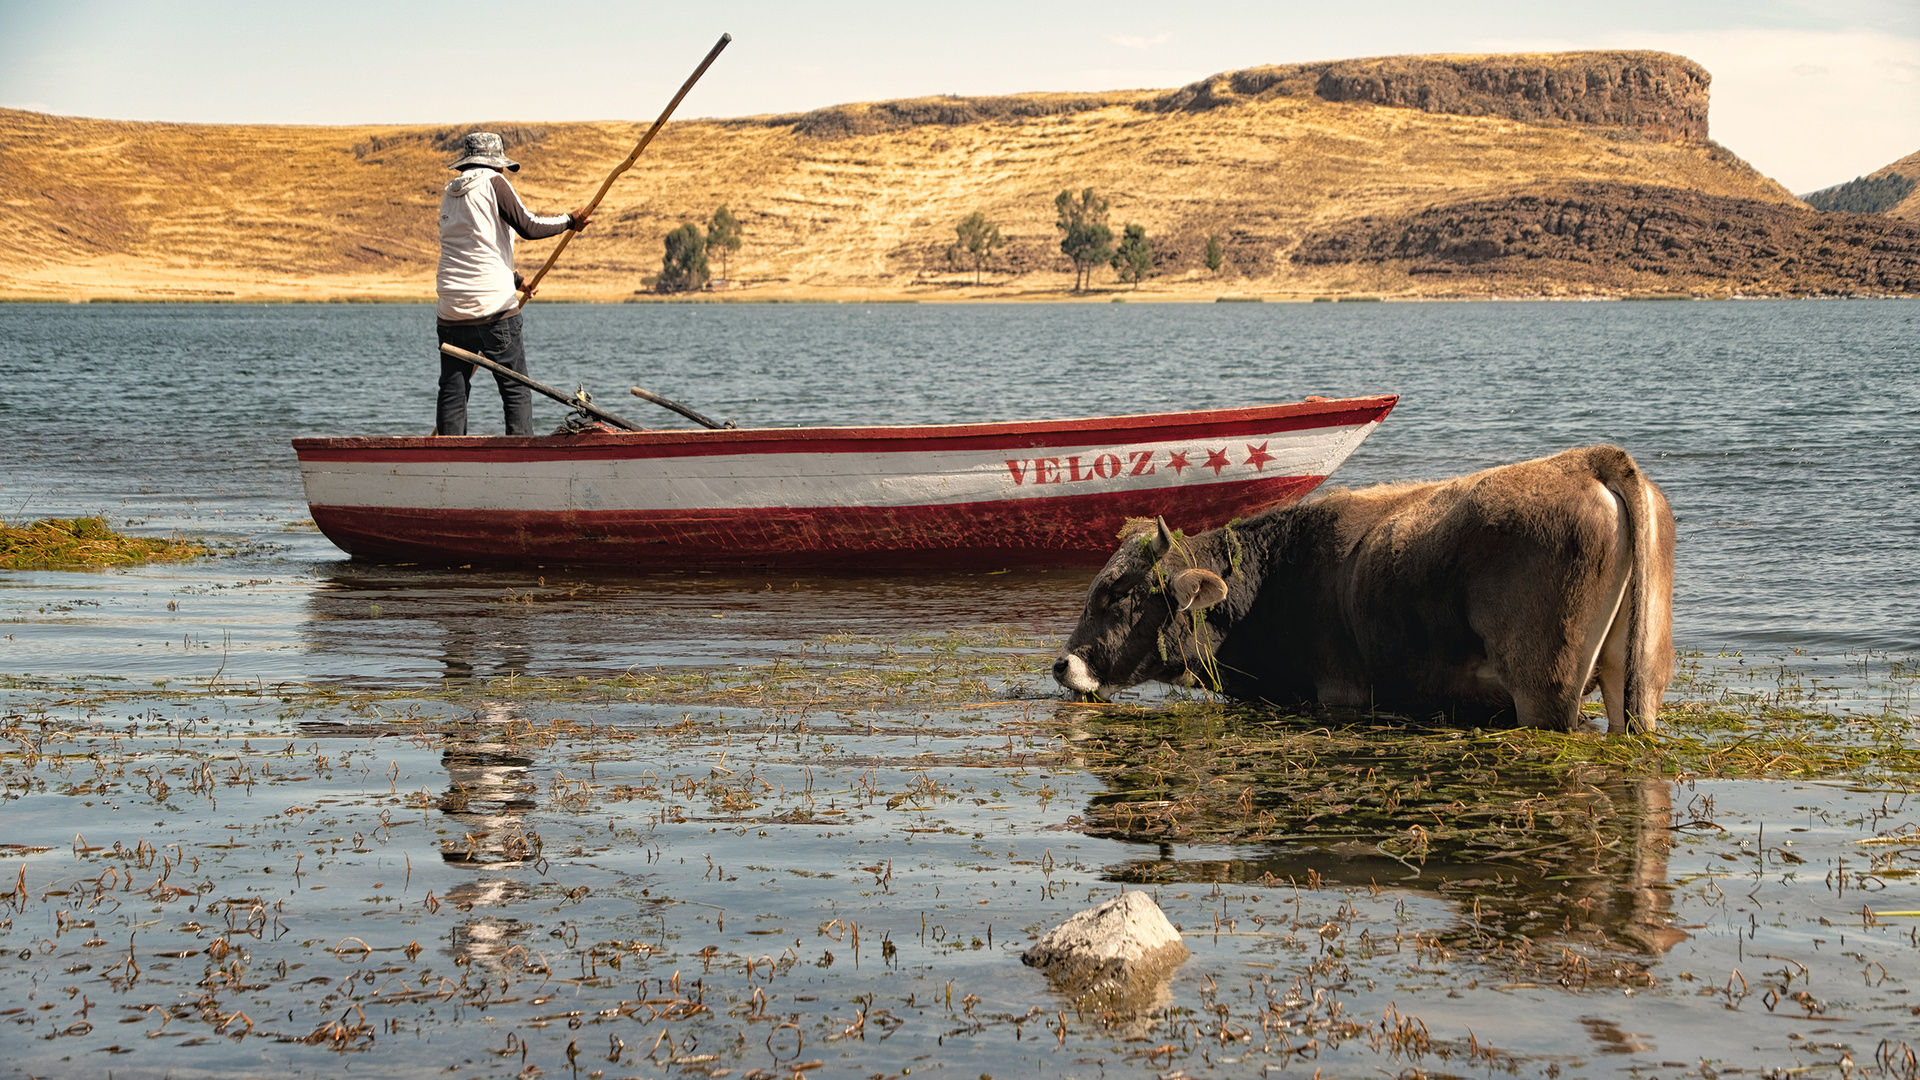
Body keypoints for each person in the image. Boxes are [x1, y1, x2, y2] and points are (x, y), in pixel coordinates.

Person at [434, 131, 593, 436]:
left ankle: (448, 457)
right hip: (494, 311)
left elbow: (474, 249)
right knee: (516, 388)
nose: (505, 171)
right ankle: (521, 457)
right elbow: (528, 226)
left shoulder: (450, 192)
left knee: (453, 390)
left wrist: (518, 281)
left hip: (451, 309)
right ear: (496, 163)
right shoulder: (494, 183)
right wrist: (569, 221)